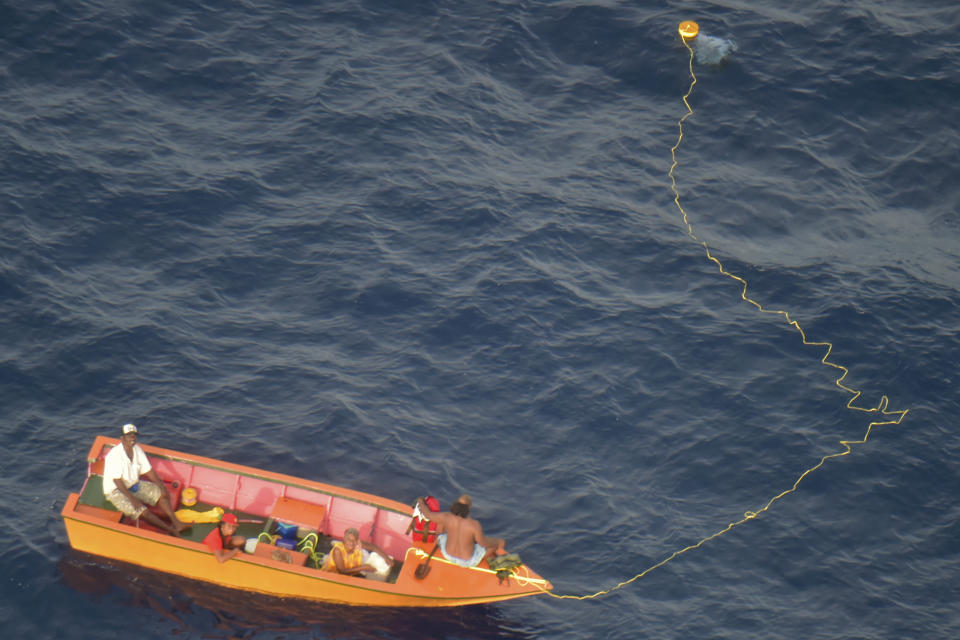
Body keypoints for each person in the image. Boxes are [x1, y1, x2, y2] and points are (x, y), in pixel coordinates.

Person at [102, 423, 187, 536]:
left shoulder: (137, 450)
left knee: (161, 494)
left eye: (134, 435)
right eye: (128, 435)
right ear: (122, 438)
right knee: (142, 511)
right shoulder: (115, 455)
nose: (132, 438)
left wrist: (161, 487)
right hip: (116, 490)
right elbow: (117, 481)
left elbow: (148, 470)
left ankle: (176, 523)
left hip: (132, 485)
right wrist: (133, 500)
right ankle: (170, 530)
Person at [415, 494, 506, 567]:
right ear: (470, 507)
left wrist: (421, 502)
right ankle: (484, 560)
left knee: (441, 522)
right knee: (497, 543)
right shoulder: (474, 525)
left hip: (447, 554)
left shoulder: (446, 516)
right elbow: (483, 543)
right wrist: (497, 543)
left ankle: (436, 543)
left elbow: (428, 514)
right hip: (468, 562)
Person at [323, 527, 394, 577]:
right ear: (344, 539)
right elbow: (342, 571)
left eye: (354, 540)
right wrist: (363, 568)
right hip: (336, 575)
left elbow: (373, 547)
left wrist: (387, 559)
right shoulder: (338, 551)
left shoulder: (357, 544)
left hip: (351, 571)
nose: (351, 542)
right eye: (348, 539)